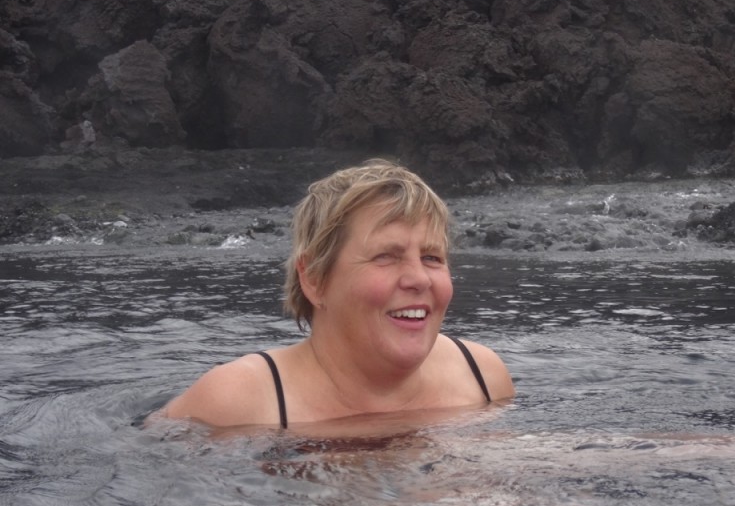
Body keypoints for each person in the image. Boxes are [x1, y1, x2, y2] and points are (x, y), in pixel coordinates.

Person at [157, 159, 515, 429]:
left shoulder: (482, 377)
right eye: (385, 257)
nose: (419, 279)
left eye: (432, 257)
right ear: (314, 278)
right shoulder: (238, 402)